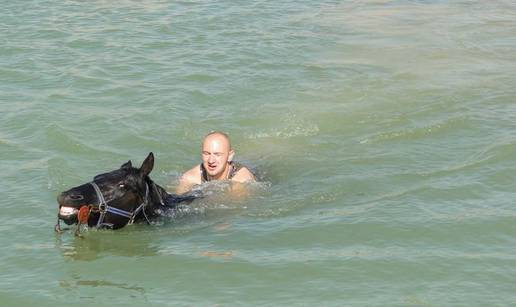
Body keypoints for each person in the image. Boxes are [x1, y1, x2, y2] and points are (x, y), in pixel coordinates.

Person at [176, 131, 255, 194]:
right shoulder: (190, 178)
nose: (211, 161)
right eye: (206, 153)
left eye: (217, 154)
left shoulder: (241, 181)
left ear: (230, 156)